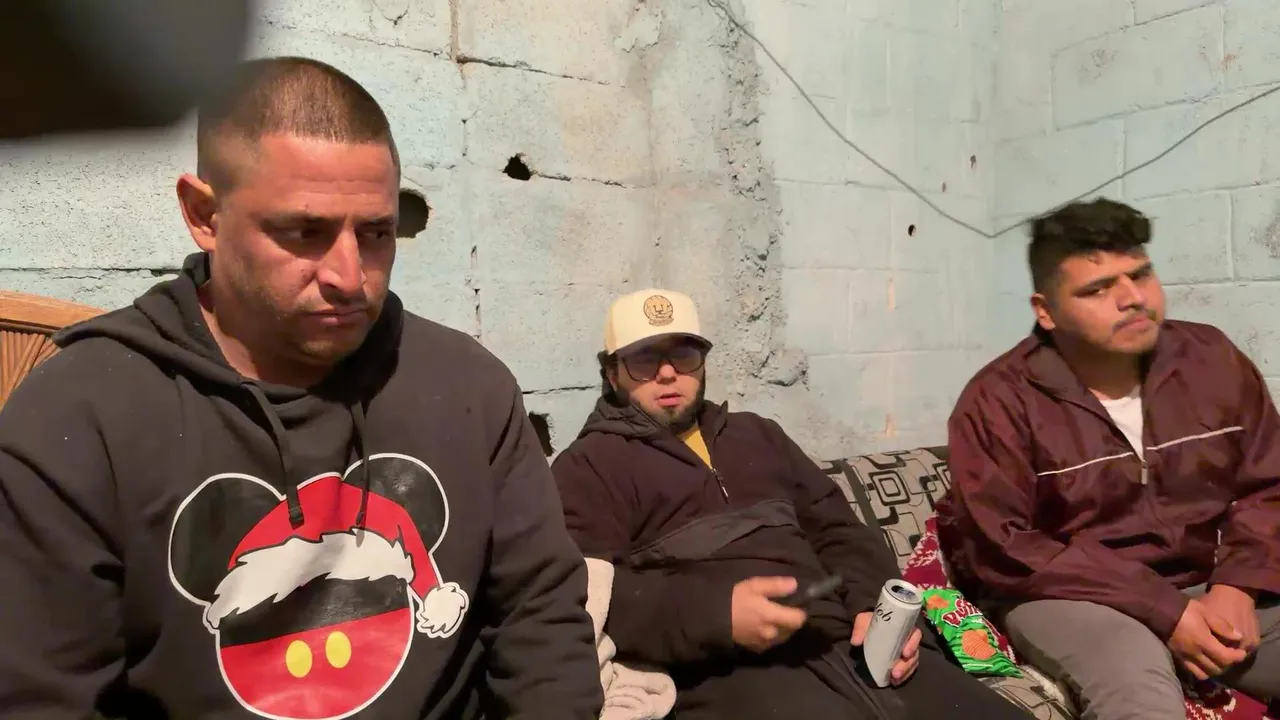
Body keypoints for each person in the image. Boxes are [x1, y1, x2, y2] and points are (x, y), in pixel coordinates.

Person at [0, 56, 603, 720]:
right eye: (304, 232)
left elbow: (542, 628)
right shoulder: (78, 418)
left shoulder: (468, 387)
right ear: (204, 214)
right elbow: (40, 697)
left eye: (376, 233)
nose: (350, 276)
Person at [551, 288, 1032, 720]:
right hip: (730, 670)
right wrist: (714, 613)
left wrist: (874, 608)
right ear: (611, 372)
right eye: (643, 359)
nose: (667, 372)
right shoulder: (588, 466)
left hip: (849, 642)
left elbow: (840, 531)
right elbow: (587, 599)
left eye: (683, 353)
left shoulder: (758, 434)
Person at [937, 198, 1280, 719]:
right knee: (1134, 682)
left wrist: (1238, 585)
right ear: (1045, 310)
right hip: (1070, 598)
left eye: (1140, 275)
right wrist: (1165, 610)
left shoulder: (1211, 359)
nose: (1132, 299)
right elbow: (1007, 548)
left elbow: (1267, 483)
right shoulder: (996, 401)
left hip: (1208, 583)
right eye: (1096, 289)